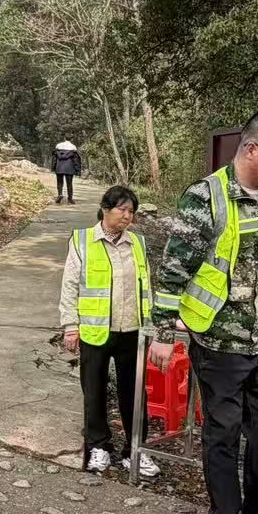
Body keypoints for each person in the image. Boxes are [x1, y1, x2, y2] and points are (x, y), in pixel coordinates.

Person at [149, 109, 258, 514]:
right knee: (223, 436)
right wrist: (164, 332)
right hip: (218, 344)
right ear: (252, 149)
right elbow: (174, 268)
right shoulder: (206, 197)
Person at [59, 185, 159, 479]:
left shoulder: (137, 243)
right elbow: (70, 285)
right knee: (94, 391)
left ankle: (135, 450)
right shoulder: (82, 241)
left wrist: (151, 326)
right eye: (122, 209)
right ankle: (98, 446)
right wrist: (70, 326)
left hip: (132, 331)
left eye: (131, 211)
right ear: (105, 209)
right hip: (94, 330)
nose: (127, 216)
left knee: (134, 394)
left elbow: (147, 288)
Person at [52, 139, 81, 204]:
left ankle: (60, 194)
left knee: (59, 182)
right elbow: (76, 160)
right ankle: (70, 199)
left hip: (59, 167)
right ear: (71, 139)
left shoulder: (58, 146)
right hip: (69, 168)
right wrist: (77, 170)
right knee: (69, 184)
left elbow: (54, 158)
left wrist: (53, 167)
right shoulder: (73, 147)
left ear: (65, 138)